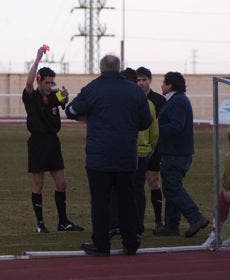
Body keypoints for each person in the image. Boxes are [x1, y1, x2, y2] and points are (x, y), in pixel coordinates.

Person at [65, 55, 152, 256]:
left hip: (99, 157)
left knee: (100, 202)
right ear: (119, 68)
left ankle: (101, 243)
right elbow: (146, 122)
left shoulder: (92, 89)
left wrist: (88, 116)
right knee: (127, 201)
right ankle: (131, 242)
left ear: (101, 68)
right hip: (127, 156)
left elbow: (70, 110)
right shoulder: (134, 91)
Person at [22, 46, 84, 233]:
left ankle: (63, 222)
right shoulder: (31, 97)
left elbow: (63, 103)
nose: (50, 86)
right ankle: (40, 224)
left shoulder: (54, 96)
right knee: (38, 184)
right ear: (40, 82)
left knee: (61, 183)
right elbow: (28, 82)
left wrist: (64, 96)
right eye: (47, 83)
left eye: (52, 83)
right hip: (38, 143)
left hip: (53, 142)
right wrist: (37, 59)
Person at [155, 71, 209, 237]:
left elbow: (177, 126)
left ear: (170, 85)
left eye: (164, 83)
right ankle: (171, 226)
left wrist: (155, 130)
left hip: (175, 153)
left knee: (172, 188)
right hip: (178, 152)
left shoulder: (176, 102)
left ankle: (195, 217)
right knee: (171, 187)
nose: (162, 86)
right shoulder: (178, 100)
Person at [110, 67, 159, 236]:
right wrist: (149, 148)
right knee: (137, 190)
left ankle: (119, 223)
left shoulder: (120, 104)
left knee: (119, 189)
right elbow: (155, 133)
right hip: (143, 153)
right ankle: (136, 225)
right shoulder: (149, 104)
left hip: (126, 153)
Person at [136, 67, 166, 232]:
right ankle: (137, 221)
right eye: (138, 80)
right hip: (136, 150)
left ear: (150, 80)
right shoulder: (132, 98)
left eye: (144, 80)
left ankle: (158, 220)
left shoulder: (159, 100)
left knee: (153, 182)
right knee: (137, 185)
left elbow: (160, 125)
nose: (141, 83)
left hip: (153, 148)